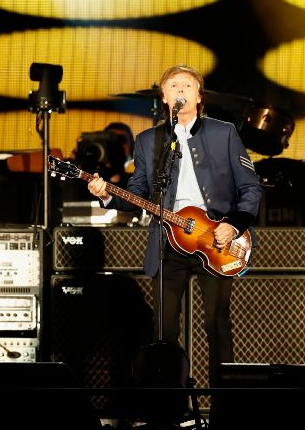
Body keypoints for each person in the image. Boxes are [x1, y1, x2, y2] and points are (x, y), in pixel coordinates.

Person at [87, 66, 262, 397]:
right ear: (164, 96)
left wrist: (233, 225)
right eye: (172, 85)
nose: (180, 89)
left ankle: (226, 404)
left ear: (199, 96)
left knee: (217, 323)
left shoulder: (223, 133)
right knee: (165, 330)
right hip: (168, 241)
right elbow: (137, 195)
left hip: (216, 239)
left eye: (187, 84)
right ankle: (167, 405)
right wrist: (107, 193)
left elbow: (250, 188)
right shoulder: (149, 141)